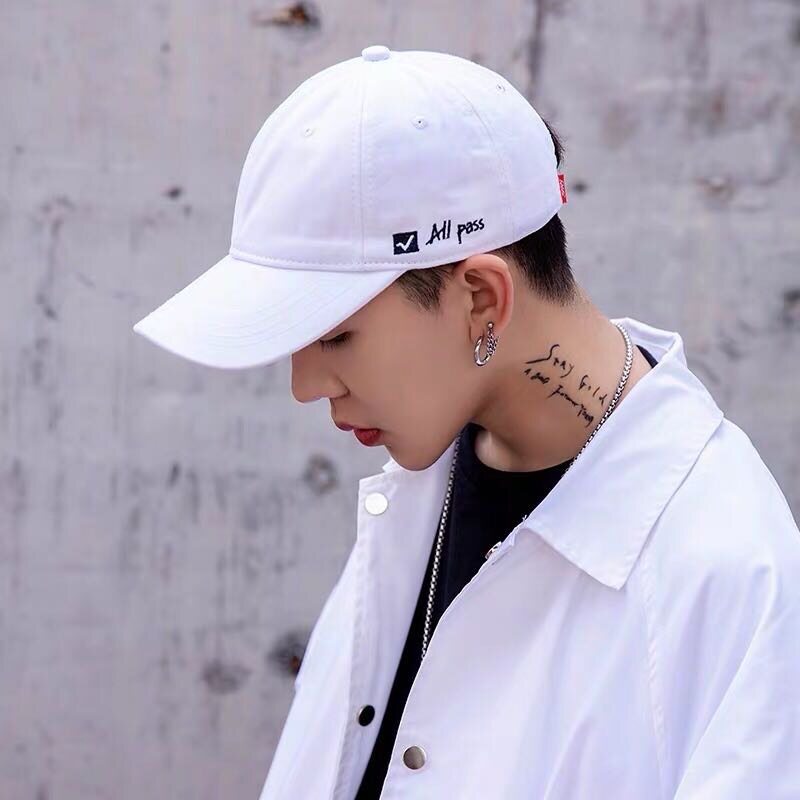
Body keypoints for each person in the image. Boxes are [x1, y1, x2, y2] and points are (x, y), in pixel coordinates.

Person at [133, 45, 800, 799]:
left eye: (335, 336)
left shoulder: (726, 574)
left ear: (481, 297)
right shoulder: (415, 494)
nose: (304, 385)